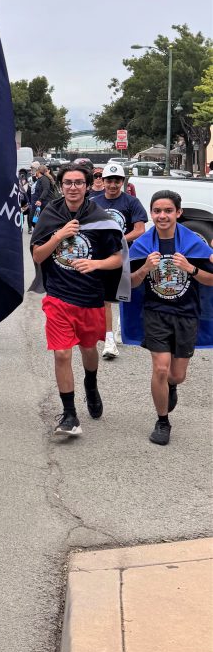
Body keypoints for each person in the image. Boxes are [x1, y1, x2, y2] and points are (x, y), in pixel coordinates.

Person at [30, 162, 125, 438]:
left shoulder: (99, 216)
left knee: (88, 350)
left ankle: (91, 384)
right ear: (61, 185)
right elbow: (37, 256)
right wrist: (59, 235)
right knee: (62, 353)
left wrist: (96, 265)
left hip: (90, 297)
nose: (73, 187)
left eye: (79, 183)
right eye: (68, 183)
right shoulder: (51, 213)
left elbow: (118, 258)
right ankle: (70, 413)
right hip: (58, 296)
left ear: (86, 186)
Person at [128, 191, 213, 446]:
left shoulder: (195, 244)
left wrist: (191, 269)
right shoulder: (142, 245)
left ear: (178, 213)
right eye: (157, 211)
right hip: (156, 313)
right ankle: (162, 421)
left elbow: (211, 280)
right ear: (152, 214)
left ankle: (171, 387)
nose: (162, 216)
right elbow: (130, 285)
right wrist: (144, 268)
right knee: (161, 368)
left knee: (177, 375)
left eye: (167, 211)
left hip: (186, 314)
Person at [90, 161, 148, 359]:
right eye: (109, 181)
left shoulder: (132, 202)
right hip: (103, 257)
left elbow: (140, 230)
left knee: (125, 294)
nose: (112, 185)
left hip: (127, 256)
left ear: (122, 182)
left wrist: (120, 239)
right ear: (102, 181)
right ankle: (109, 340)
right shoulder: (94, 202)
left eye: (117, 181)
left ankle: (120, 328)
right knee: (105, 298)